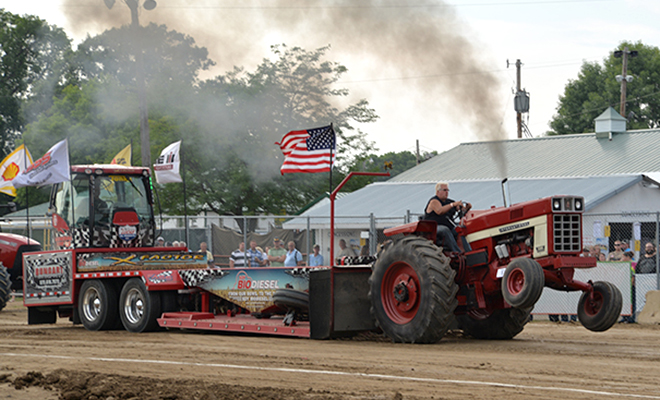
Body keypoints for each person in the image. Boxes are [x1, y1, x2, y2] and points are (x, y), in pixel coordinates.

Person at [423, 182, 471, 253]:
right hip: (433, 227)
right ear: (438, 191)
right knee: (445, 230)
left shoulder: (449, 201)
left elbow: (460, 210)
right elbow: (440, 211)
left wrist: (466, 208)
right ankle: (457, 251)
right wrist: (452, 205)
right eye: (444, 190)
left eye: (447, 190)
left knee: (461, 228)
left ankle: (468, 250)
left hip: (448, 225)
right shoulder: (434, 201)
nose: (446, 192)